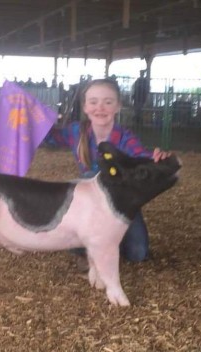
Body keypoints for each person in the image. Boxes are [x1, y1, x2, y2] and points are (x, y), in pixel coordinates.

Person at [45, 78, 170, 271]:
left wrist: (156, 158)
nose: (100, 107)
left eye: (108, 102)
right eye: (93, 102)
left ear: (118, 106)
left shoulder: (124, 137)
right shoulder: (76, 131)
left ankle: (106, 240)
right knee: (89, 178)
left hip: (121, 201)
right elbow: (51, 138)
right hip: (89, 203)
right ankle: (83, 250)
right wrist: (35, 120)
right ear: (85, 107)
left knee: (138, 253)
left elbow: (140, 155)